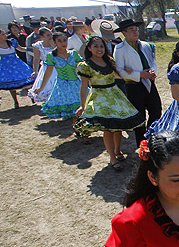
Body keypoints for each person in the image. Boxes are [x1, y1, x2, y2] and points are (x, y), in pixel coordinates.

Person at [73, 36, 144, 171]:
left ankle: (118, 151)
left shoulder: (109, 61)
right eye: (96, 46)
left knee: (118, 126)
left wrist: (127, 70)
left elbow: (119, 74)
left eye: (101, 46)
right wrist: (83, 105)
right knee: (107, 129)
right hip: (99, 98)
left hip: (114, 95)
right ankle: (112, 157)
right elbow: (83, 86)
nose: (99, 49)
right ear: (89, 48)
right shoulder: (85, 65)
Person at [113, 18, 162, 146]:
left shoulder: (145, 45)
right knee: (139, 117)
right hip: (134, 86)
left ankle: (152, 137)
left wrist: (151, 72)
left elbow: (152, 62)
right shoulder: (120, 49)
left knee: (156, 110)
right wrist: (139, 74)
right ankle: (142, 144)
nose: (135, 32)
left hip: (149, 84)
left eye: (136, 30)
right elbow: (120, 71)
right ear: (124, 33)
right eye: (131, 30)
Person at [34, 31, 83, 119]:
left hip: (75, 82)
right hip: (62, 84)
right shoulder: (51, 55)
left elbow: (83, 67)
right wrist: (41, 88)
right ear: (55, 42)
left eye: (64, 40)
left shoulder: (73, 53)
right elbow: (48, 72)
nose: (63, 43)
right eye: (59, 41)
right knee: (69, 106)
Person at [0, 29, 35, 108]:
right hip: (6, 67)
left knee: (26, 82)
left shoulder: (11, 42)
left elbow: (20, 49)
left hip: (17, 64)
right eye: (2, 34)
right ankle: (15, 102)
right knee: (11, 85)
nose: (5, 35)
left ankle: (31, 97)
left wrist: (30, 49)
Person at [27, 27, 56, 103]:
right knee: (47, 85)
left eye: (51, 34)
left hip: (57, 66)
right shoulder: (38, 46)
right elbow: (36, 59)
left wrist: (54, 46)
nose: (50, 37)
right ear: (42, 37)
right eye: (48, 35)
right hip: (46, 67)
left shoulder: (55, 43)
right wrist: (35, 71)